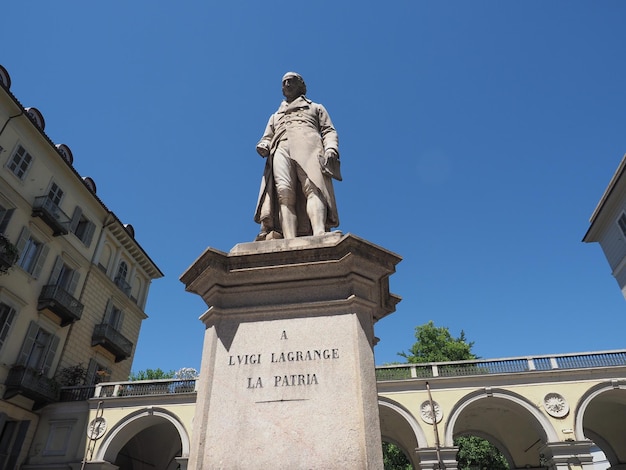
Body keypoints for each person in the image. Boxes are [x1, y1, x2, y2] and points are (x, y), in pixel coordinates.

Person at [254, 72, 341, 240]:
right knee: (284, 193)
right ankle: (289, 239)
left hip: (310, 147)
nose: (287, 84)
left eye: (291, 81)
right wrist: (264, 144)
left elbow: (329, 131)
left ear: (301, 85)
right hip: (281, 148)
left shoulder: (316, 107)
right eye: (284, 82)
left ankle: (319, 233)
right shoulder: (275, 115)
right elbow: (267, 137)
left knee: (314, 188)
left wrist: (331, 148)